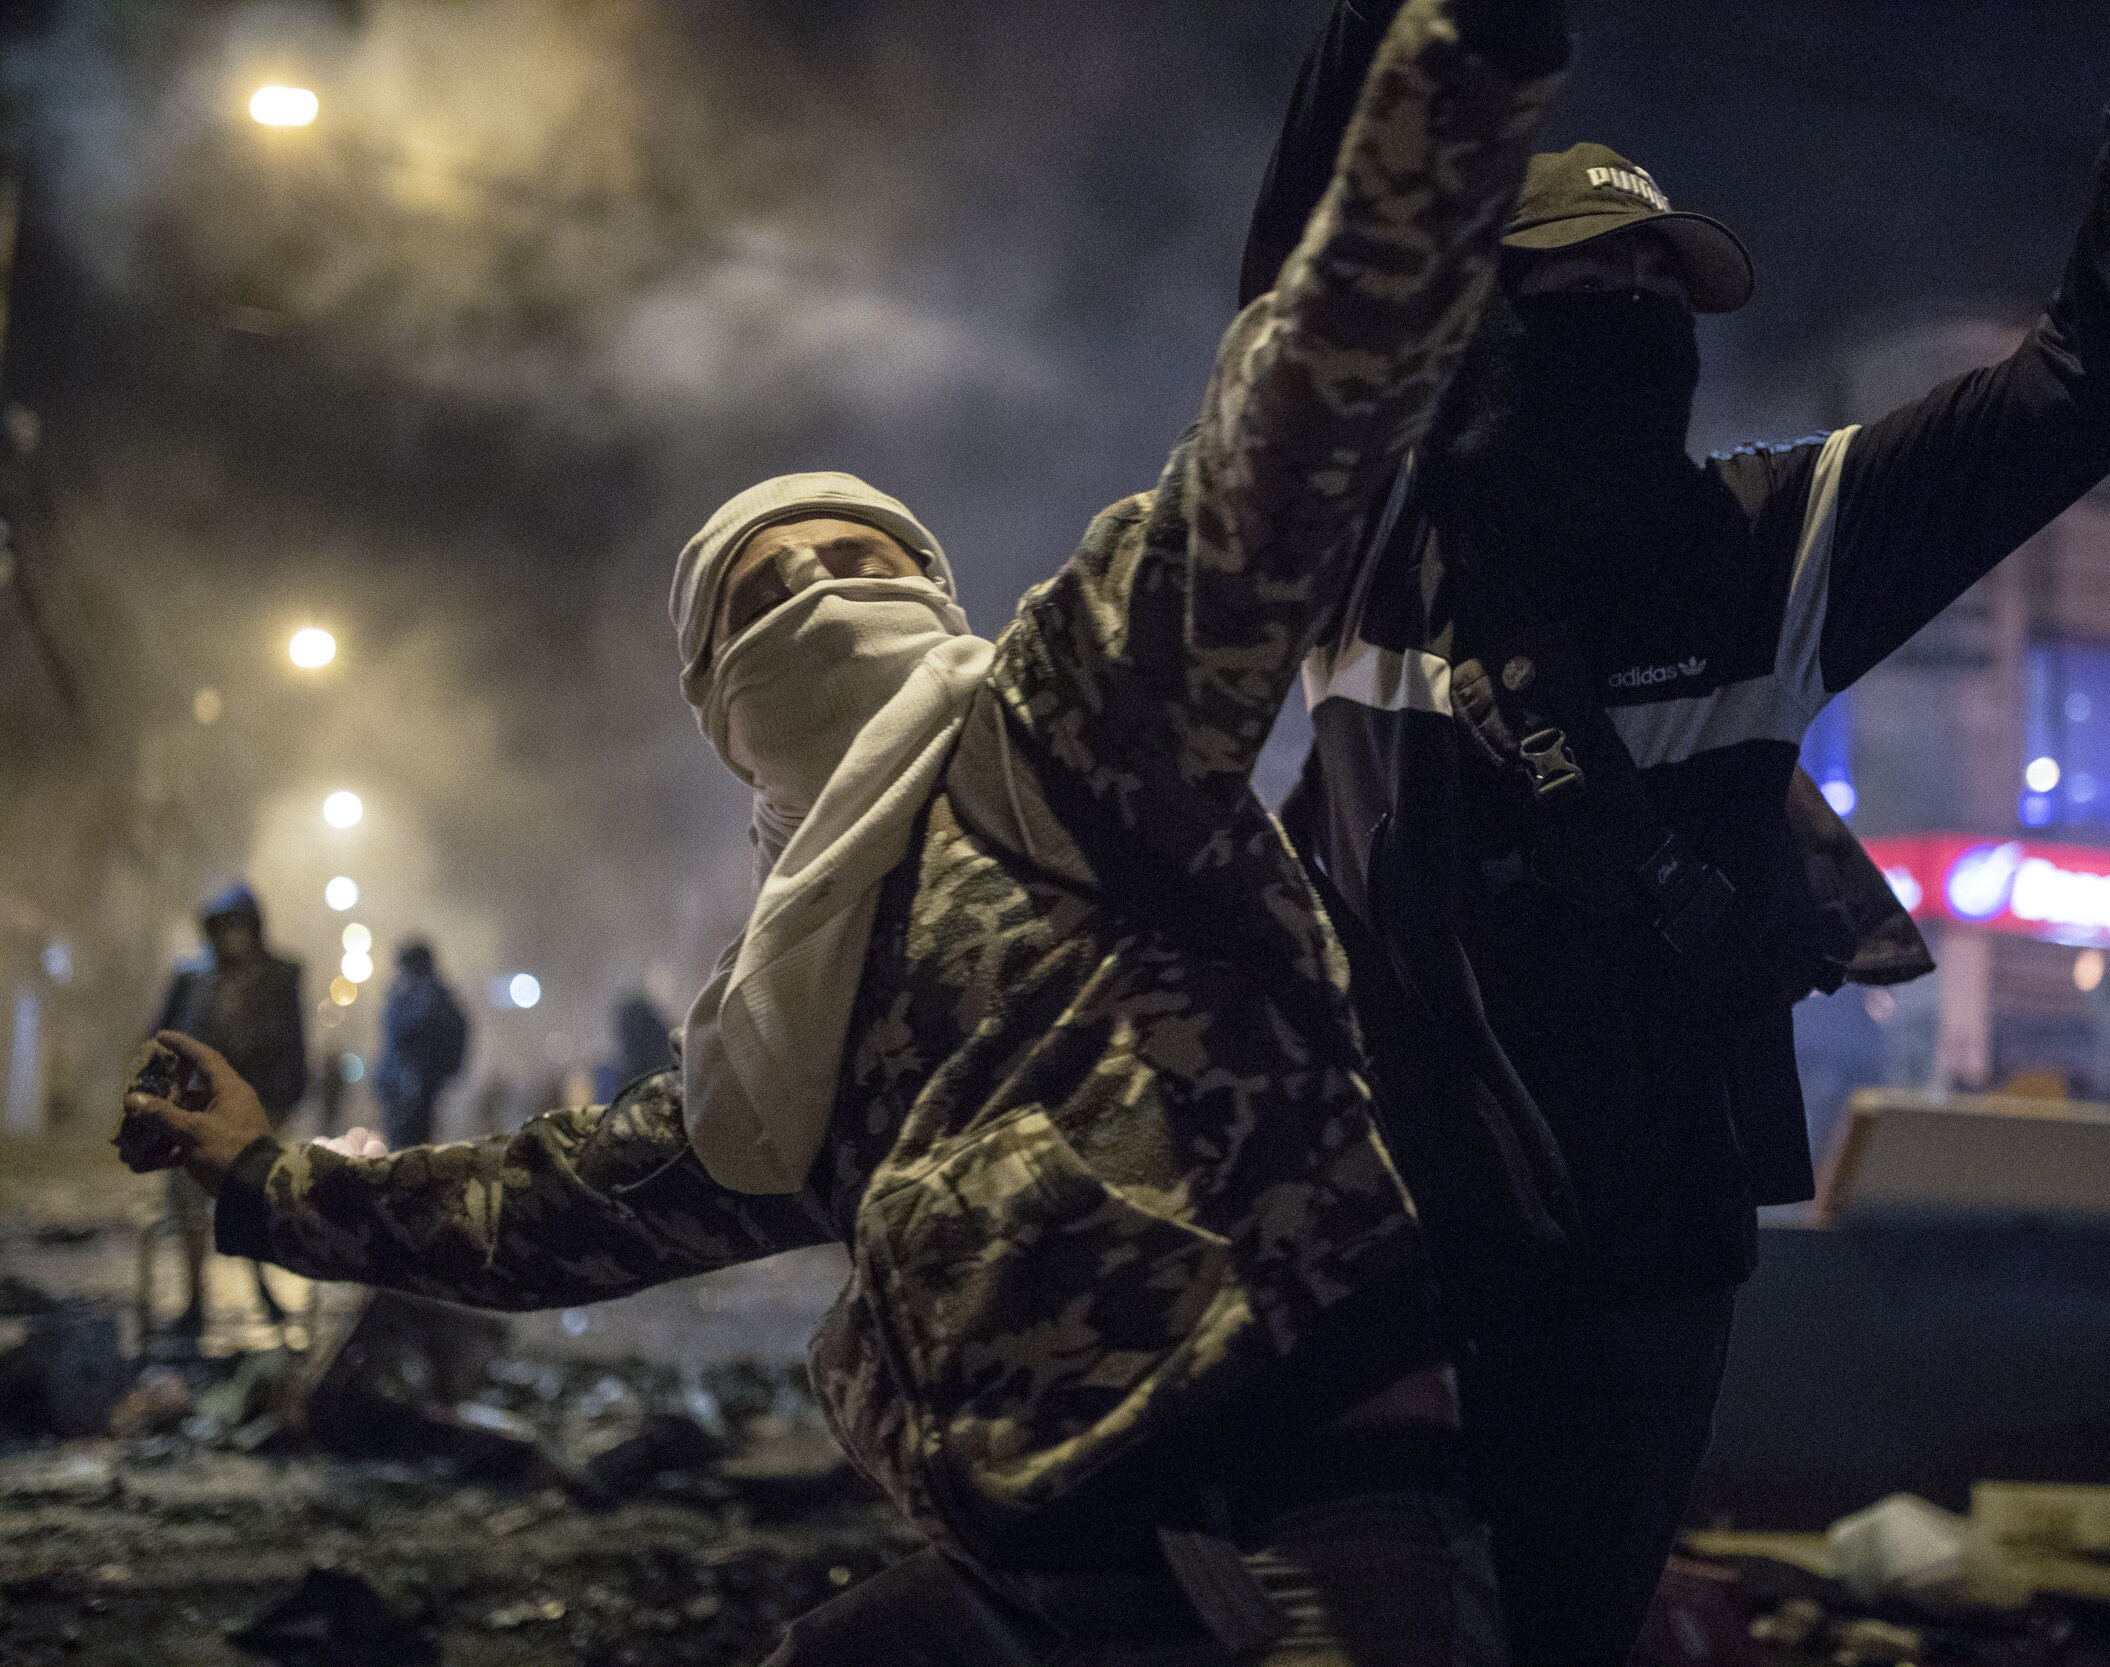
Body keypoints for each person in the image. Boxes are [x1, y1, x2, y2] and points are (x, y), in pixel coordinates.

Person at [123, 2, 1569, 1658]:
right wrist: (261, 1178)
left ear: (939, 593)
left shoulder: (1068, 723)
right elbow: (547, 1206)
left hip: (1299, 1509)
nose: (817, 588)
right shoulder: (777, 1017)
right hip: (1036, 1558)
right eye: (758, 590)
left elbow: (1291, 430)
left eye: (862, 558)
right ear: (718, 705)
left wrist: (1454, 76)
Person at [1243, 2, 2110, 1661]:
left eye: (1664, 292)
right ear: (1481, 311)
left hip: (1639, 1285)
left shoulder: (1775, 544)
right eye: (1588, 279)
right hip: (1373, 1262)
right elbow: (1296, 294)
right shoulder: (1363, 525)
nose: (1637, 312)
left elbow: (2100, 373)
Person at [147, 882, 307, 1341]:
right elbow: (161, 1037)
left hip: (252, 1111)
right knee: (188, 1207)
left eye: (241, 927)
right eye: (225, 927)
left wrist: (280, 1106)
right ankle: (194, 1301)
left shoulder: (280, 977)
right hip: (190, 1109)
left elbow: (294, 1048)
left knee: (251, 1201)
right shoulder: (191, 978)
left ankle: (263, 1290)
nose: (233, 937)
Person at [374, 939, 469, 1149]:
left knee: (406, 1150)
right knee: (414, 1146)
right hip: (412, 1085)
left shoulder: (421, 996)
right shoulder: (435, 995)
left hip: (410, 1085)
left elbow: (404, 1038)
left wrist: (415, 1076)